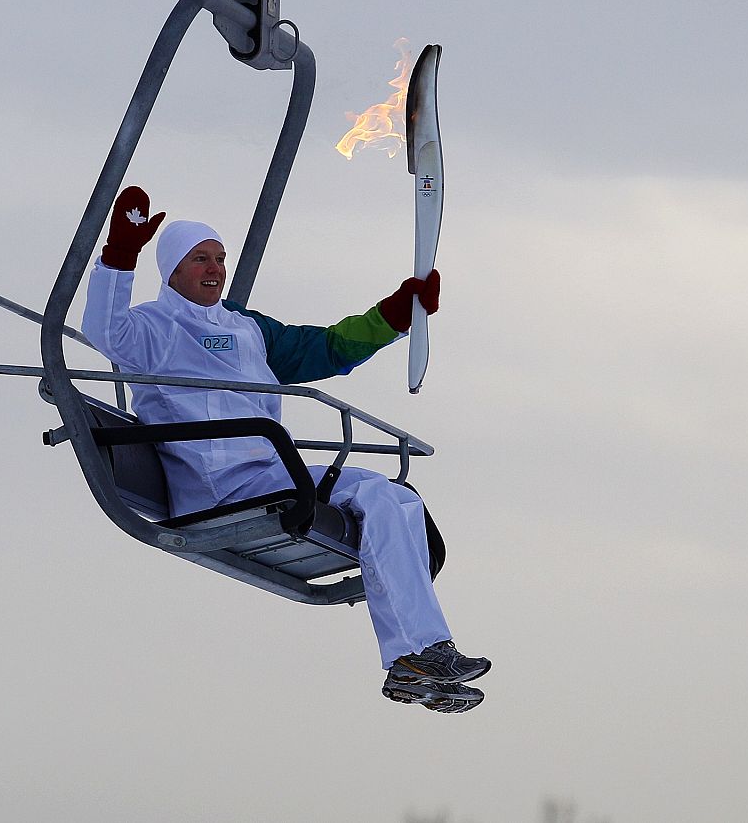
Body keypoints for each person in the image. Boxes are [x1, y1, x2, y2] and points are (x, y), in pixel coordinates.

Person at [82, 186, 490, 712]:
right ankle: (419, 653)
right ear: (172, 270)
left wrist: (395, 314)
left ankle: (417, 657)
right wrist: (118, 256)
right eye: (200, 259)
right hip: (218, 485)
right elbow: (103, 329)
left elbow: (323, 348)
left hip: (269, 473)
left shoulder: (247, 329)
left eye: (220, 258)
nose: (214, 269)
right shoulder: (151, 329)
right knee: (376, 495)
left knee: (394, 497)